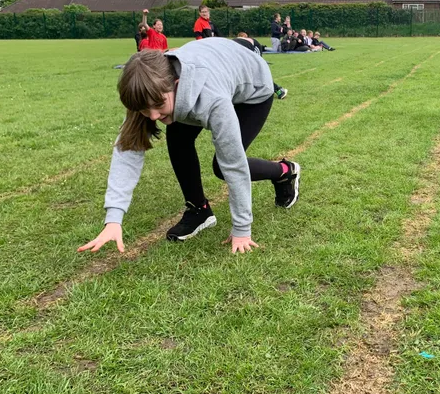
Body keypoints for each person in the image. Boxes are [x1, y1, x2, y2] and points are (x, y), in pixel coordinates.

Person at [78, 38, 301, 256]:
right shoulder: (147, 90)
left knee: (222, 166)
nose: (153, 116)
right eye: (145, 110)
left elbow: (233, 164)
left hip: (253, 90)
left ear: (176, 85)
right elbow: (128, 150)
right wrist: (114, 219)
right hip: (217, 66)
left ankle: (284, 171)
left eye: (158, 105)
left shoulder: (212, 99)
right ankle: (199, 210)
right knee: (177, 138)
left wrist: (242, 230)